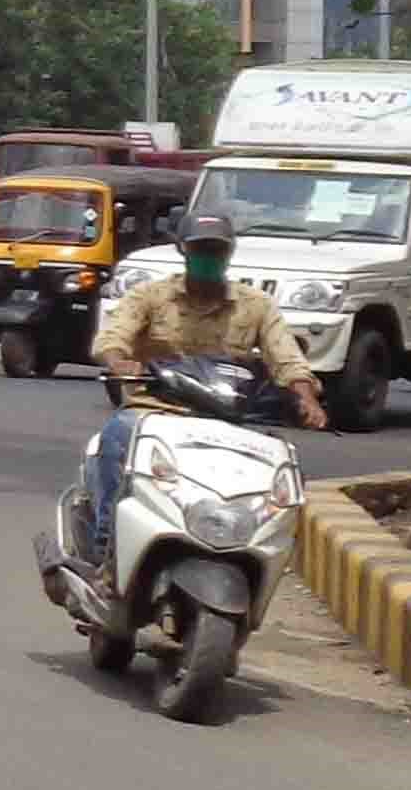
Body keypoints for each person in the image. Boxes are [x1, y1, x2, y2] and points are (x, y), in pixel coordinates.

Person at [74, 207, 327, 567]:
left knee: (281, 468)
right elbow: (113, 337)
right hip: (156, 411)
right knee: (119, 435)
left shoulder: (256, 306)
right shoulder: (151, 296)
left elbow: (286, 356)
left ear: (229, 253)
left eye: (216, 250)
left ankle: (265, 554)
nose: (208, 258)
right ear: (183, 251)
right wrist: (119, 361)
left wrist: (305, 397)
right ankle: (105, 551)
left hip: (228, 419)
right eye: (200, 250)